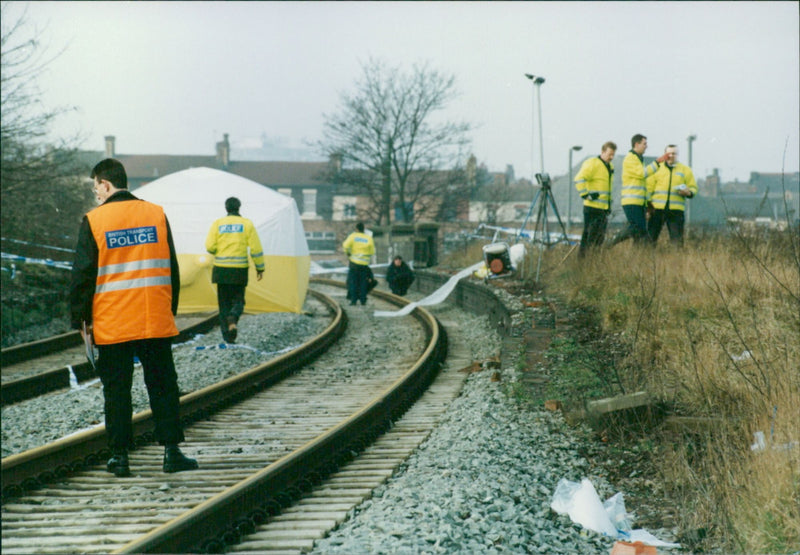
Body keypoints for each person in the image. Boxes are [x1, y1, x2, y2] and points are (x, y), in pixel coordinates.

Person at [68, 158, 198, 477]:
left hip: (113, 323)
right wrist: (169, 310)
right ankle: (171, 452)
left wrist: (81, 321)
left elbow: (83, 276)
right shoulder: (156, 213)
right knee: (163, 386)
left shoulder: (95, 220)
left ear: (106, 184)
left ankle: (120, 457)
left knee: (117, 391)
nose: (95, 193)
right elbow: (172, 269)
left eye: (95, 186)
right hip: (154, 318)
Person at [205, 197, 265, 343]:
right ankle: (234, 317)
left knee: (223, 303)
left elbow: (210, 246)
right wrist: (260, 267)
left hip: (221, 270)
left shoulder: (218, 223)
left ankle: (227, 337)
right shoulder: (246, 224)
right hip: (239, 271)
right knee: (238, 300)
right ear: (239, 207)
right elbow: (256, 249)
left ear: (226, 208)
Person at [610, 134, 667, 246]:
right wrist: (657, 162)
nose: (646, 146)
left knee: (640, 232)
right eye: (644, 143)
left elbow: (642, 184)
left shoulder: (639, 159)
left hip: (638, 202)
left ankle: (637, 256)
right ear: (636, 144)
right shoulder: (630, 158)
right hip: (631, 201)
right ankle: (612, 241)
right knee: (636, 228)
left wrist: (648, 202)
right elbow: (642, 173)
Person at [646, 145, 697, 246]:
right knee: (650, 239)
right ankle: (647, 259)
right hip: (657, 210)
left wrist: (689, 192)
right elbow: (648, 189)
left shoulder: (685, 170)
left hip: (676, 211)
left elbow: (693, 188)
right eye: (669, 153)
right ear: (664, 154)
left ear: (677, 155)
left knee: (677, 242)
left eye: (674, 153)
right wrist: (648, 207)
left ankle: (675, 260)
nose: (671, 155)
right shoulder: (657, 169)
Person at [574, 141, 616, 257]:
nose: (611, 157)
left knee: (599, 239)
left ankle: (593, 263)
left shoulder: (610, 167)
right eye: (609, 154)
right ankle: (583, 262)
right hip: (592, 208)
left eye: (613, 155)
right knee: (589, 238)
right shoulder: (593, 163)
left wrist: (608, 206)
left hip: (602, 209)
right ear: (602, 152)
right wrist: (586, 195)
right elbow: (579, 178)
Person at [342, 222, 375, 305]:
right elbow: (372, 251)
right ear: (363, 229)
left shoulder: (353, 236)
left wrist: (348, 253)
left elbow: (345, 246)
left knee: (353, 282)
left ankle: (353, 300)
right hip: (364, 265)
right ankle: (363, 300)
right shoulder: (368, 238)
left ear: (356, 229)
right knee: (363, 283)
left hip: (354, 264)